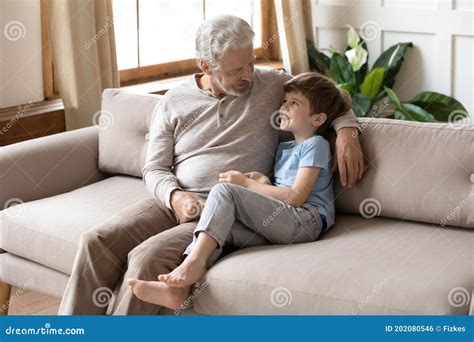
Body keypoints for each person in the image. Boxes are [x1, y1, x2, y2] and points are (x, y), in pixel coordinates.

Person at [59, 15, 364, 315]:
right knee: (94, 242)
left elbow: (333, 97)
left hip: (223, 211)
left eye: (250, 62)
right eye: (235, 69)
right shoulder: (174, 100)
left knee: (146, 258)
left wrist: (347, 131)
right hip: (172, 200)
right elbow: (154, 168)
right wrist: (174, 197)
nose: (248, 75)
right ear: (205, 66)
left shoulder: (271, 86)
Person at [126, 72, 351, 309]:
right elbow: (281, 194)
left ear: (318, 118)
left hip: (307, 221)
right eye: (285, 101)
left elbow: (296, 197)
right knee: (218, 229)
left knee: (225, 190)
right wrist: (263, 183)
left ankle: (192, 262)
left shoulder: (316, 145)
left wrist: (246, 185)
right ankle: (179, 291)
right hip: (285, 220)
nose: (283, 106)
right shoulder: (285, 147)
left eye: (294, 103)